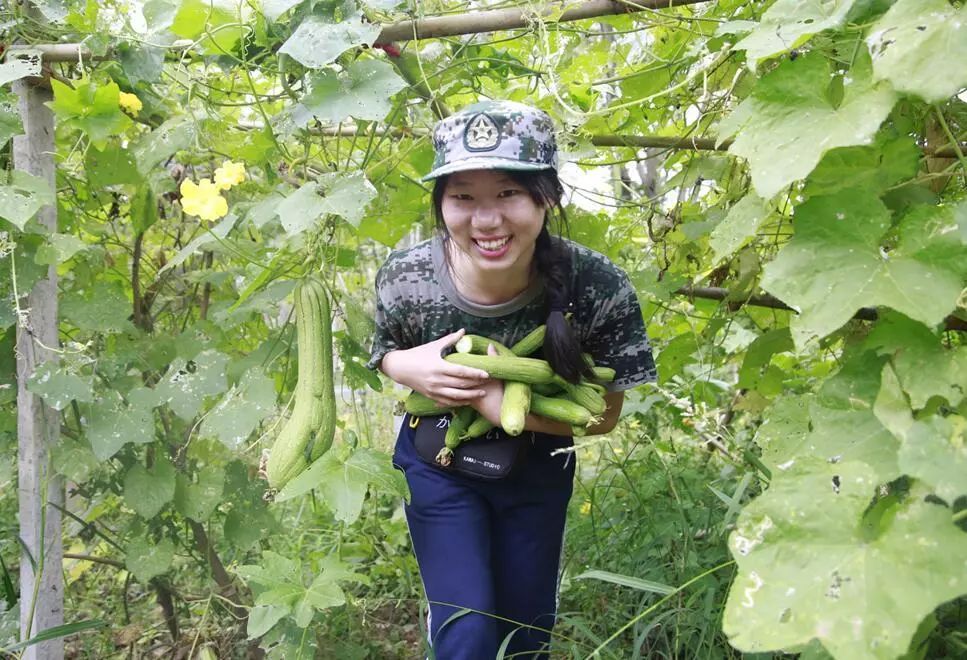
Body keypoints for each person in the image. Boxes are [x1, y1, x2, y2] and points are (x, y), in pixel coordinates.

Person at [368, 100, 656, 659]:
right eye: (463, 197)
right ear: (441, 203)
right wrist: (405, 366)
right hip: (437, 461)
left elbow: (604, 414)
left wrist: (502, 401)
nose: (487, 219)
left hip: (538, 464)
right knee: (468, 631)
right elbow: (381, 351)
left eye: (508, 193)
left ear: (547, 196)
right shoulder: (404, 277)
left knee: (524, 637)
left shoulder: (597, 284)